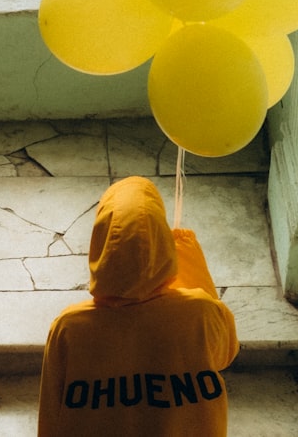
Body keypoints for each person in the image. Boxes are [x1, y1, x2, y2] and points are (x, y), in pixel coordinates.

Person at [37, 176, 239, 436]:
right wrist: (188, 265)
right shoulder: (202, 312)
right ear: (163, 240)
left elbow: (52, 413)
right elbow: (226, 354)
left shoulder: (68, 327)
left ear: (100, 241)